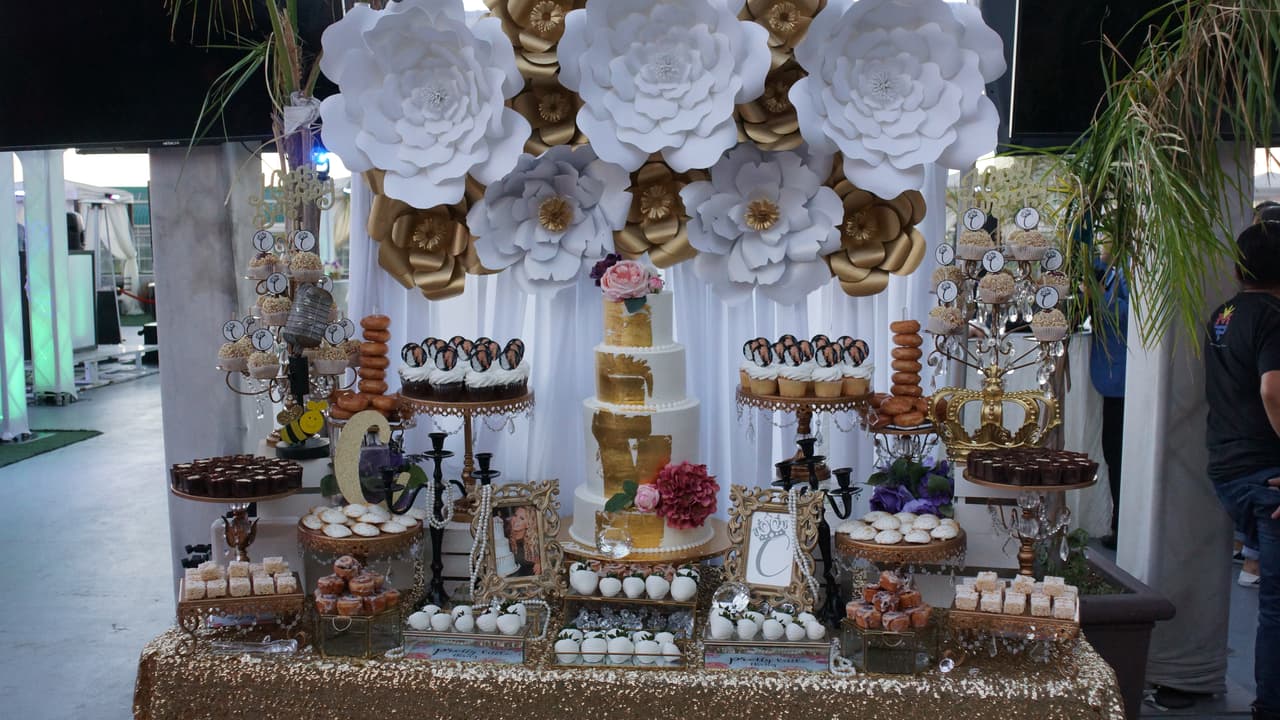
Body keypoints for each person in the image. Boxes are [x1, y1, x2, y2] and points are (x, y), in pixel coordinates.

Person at [1204, 220, 1280, 720]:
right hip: (1267, 475)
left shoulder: (1222, 314)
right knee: (1275, 603)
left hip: (1226, 470)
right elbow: (1272, 391)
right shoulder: (1275, 317)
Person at [1087, 238, 1129, 549]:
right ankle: (1117, 521)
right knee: (1112, 453)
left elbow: (1126, 316)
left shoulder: (1128, 275)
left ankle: (1122, 524)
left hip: (1122, 380)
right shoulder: (1109, 271)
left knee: (1119, 454)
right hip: (1111, 377)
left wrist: (1098, 298)